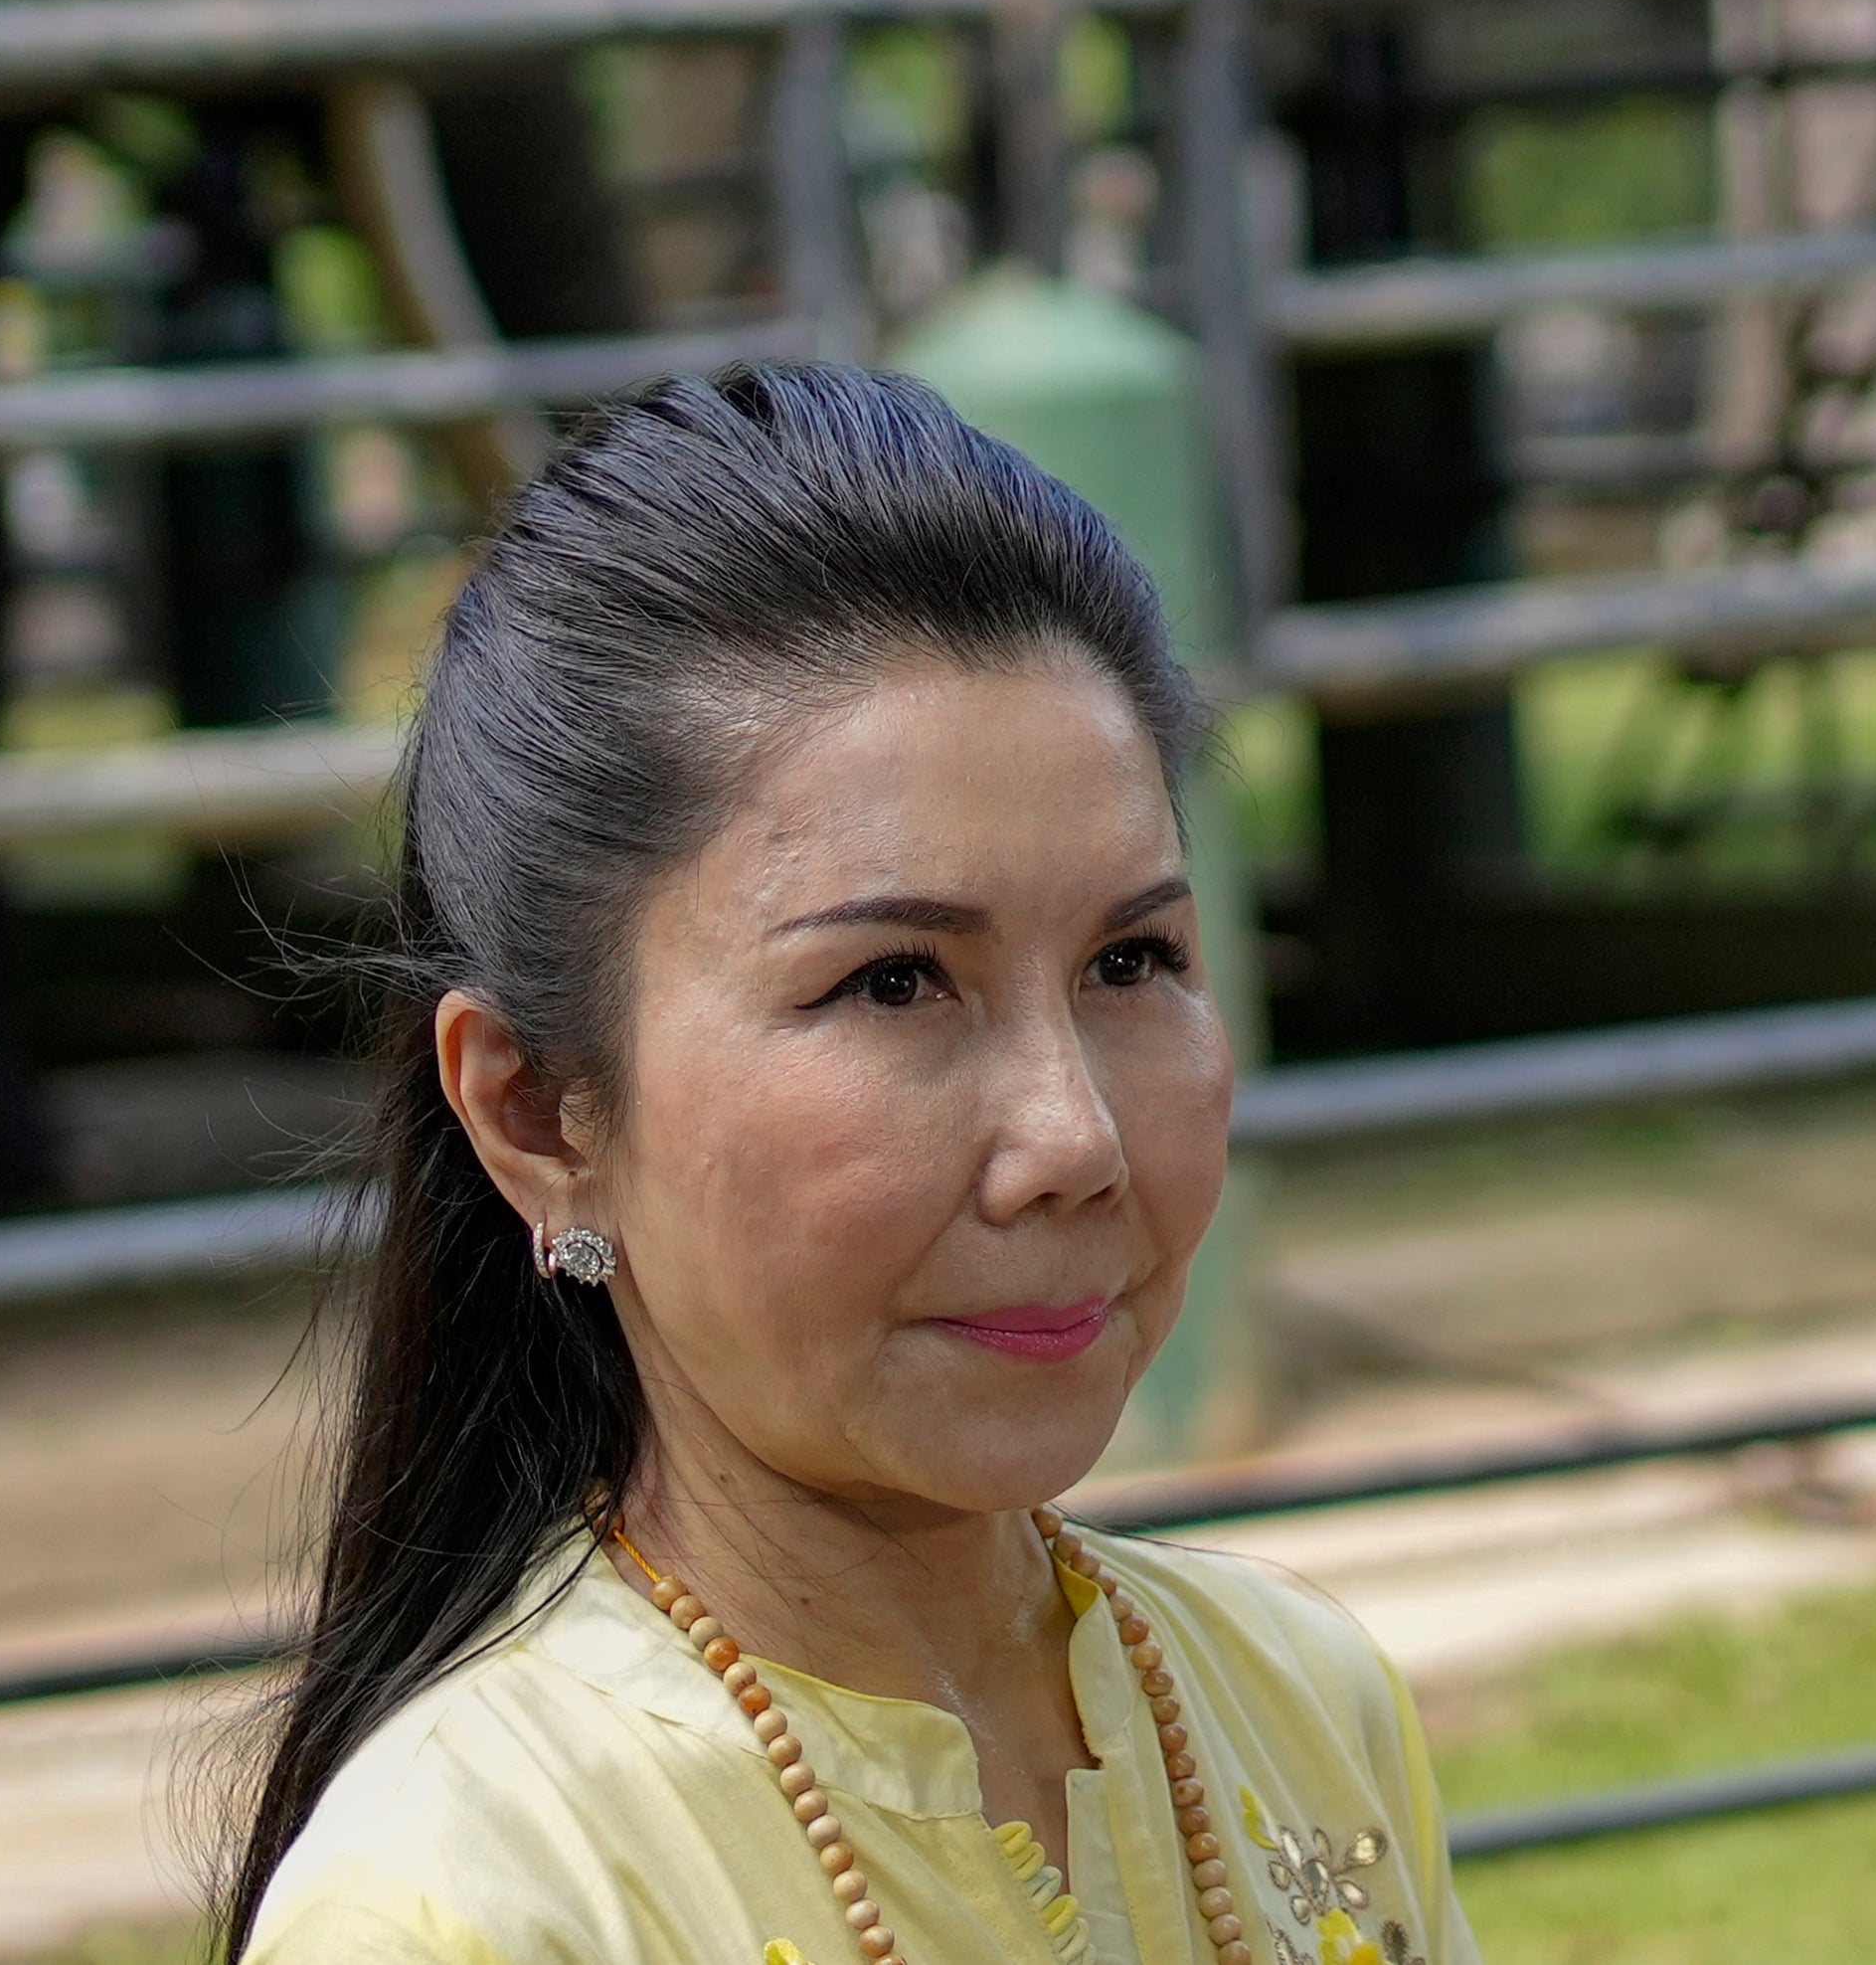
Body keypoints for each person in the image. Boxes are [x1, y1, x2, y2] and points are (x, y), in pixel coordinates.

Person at [231, 366, 1467, 1965]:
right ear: (537, 1113)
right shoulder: (475, 1897)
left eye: (1135, 958)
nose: (1073, 1138)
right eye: (893, 981)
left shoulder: (1299, 1702)